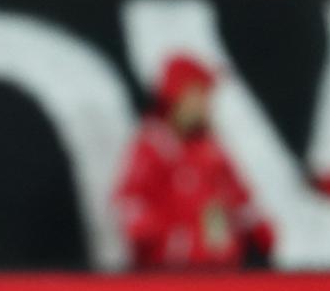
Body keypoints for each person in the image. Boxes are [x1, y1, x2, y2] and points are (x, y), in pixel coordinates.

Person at [113, 55, 273, 269]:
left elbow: (238, 196)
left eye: (206, 96)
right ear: (176, 96)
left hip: (222, 265)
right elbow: (130, 199)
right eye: (197, 95)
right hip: (172, 270)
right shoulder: (155, 146)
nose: (204, 104)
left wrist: (258, 229)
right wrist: (157, 235)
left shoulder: (211, 148)